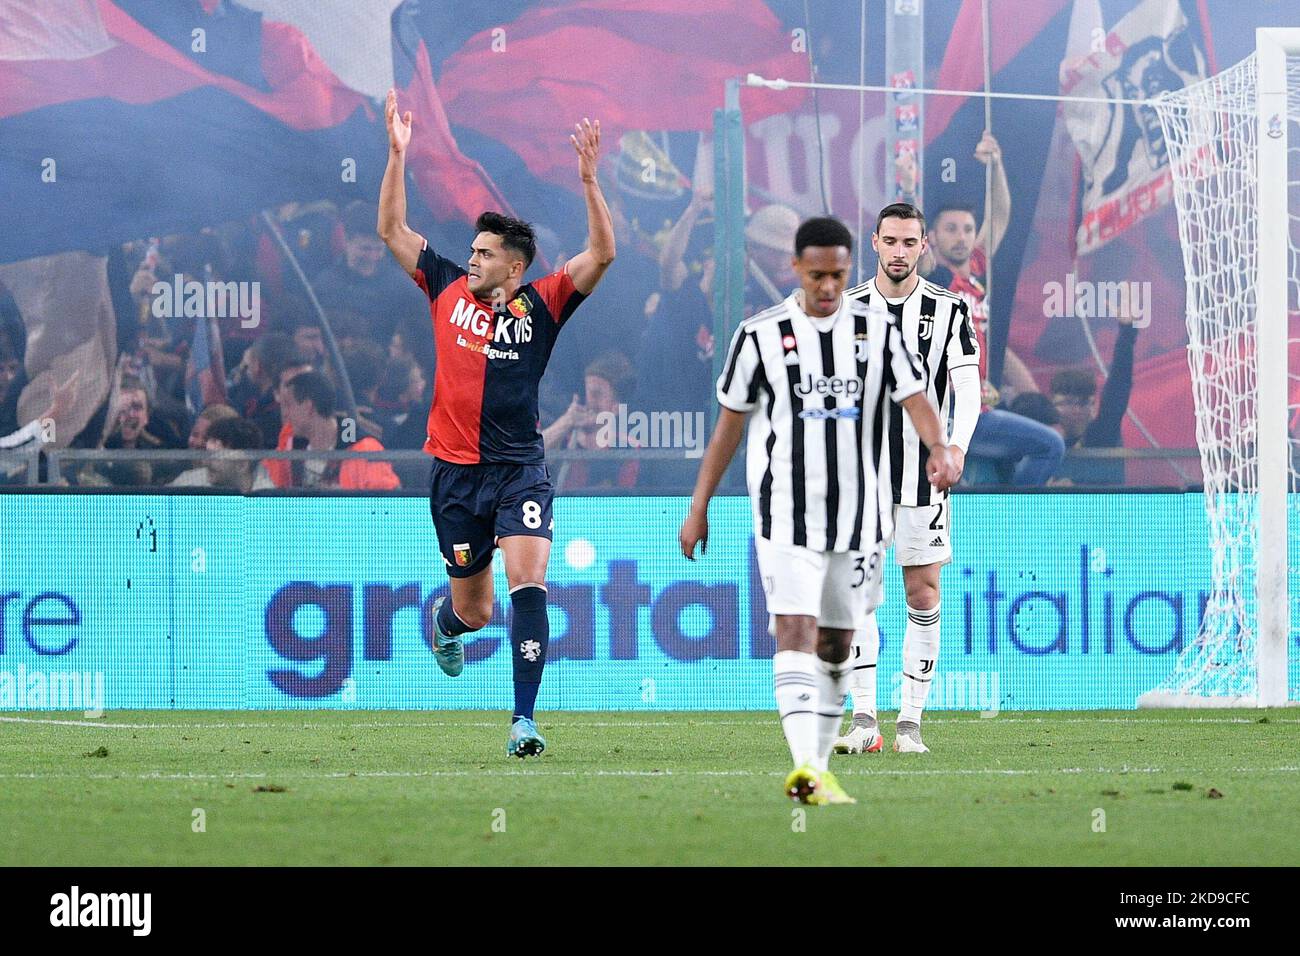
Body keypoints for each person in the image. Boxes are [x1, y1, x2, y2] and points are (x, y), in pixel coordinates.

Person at [679, 216, 957, 805]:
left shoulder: (878, 332)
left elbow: (915, 398)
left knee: (837, 641)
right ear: (797, 269)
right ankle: (807, 768)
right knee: (795, 629)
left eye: (838, 274)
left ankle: (823, 757)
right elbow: (727, 428)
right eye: (817, 274)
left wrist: (938, 448)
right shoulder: (758, 335)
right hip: (785, 512)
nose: (829, 286)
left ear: (848, 268)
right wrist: (700, 504)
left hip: (862, 515)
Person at [378, 89, 615, 757]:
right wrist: (397, 155)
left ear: (515, 266)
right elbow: (392, 232)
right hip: (454, 475)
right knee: (475, 612)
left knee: (529, 583)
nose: (473, 258)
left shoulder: (543, 304)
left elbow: (603, 255)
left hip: (519, 472)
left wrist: (590, 182)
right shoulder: (444, 286)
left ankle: (523, 720)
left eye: (484, 253)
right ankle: (445, 626)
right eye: (472, 251)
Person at [833, 203, 982, 757]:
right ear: (874, 242)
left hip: (924, 476)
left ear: (924, 247)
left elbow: (965, 387)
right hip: (861, 479)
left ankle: (911, 724)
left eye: (908, 242)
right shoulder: (843, 310)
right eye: (889, 240)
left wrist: (957, 448)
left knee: (922, 592)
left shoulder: (949, 310)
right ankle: (864, 720)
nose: (898, 251)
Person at [922, 132, 1064, 485]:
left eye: (967, 230)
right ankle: (1006, 518)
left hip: (978, 410)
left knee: (1048, 446)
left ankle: (1008, 522)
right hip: (943, 413)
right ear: (933, 237)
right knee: (1046, 446)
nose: (961, 236)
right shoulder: (932, 275)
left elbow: (999, 215)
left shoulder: (976, 272)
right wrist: (908, 189)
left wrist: (997, 166)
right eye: (951, 229)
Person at [264, 370, 399, 490]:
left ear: (308, 407)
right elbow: (266, 488)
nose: (284, 413)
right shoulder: (289, 444)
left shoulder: (364, 451)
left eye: (288, 405)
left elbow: (386, 509)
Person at [1049, 312, 1139, 486]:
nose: (1076, 410)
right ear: (1053, 404)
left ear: (1092, 406)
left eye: (1083, 403)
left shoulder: (1102, 435)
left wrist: (1127, 332)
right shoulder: (1042, 440)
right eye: (1067, 403)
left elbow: (1118, 389)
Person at [542, 351, 639, 492]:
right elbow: (526, 459)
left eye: (596, 394)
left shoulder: (627, 449)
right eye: (585, 392)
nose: (588, 401)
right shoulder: (561, 438)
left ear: (616, 407)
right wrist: (566, 421)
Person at [171, 415, 275, 492]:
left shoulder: (268, 504)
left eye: (215, 457)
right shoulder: (189, 482)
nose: (205, 462)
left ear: (242, 464)